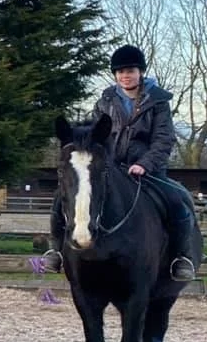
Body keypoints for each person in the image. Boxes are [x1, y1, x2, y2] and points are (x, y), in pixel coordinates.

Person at [42, 44, 196, 281]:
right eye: (121, 71)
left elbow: (164, 139)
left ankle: (181, 257)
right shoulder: (105, 101)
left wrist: (145, 164)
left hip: (147, 170)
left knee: (179, 199)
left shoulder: (158, 101)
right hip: (110, 167)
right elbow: (94, 136)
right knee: (61, 198)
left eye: (130, 70)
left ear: (140, 72)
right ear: (115, 74)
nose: (125, 75)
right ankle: (55, 251)